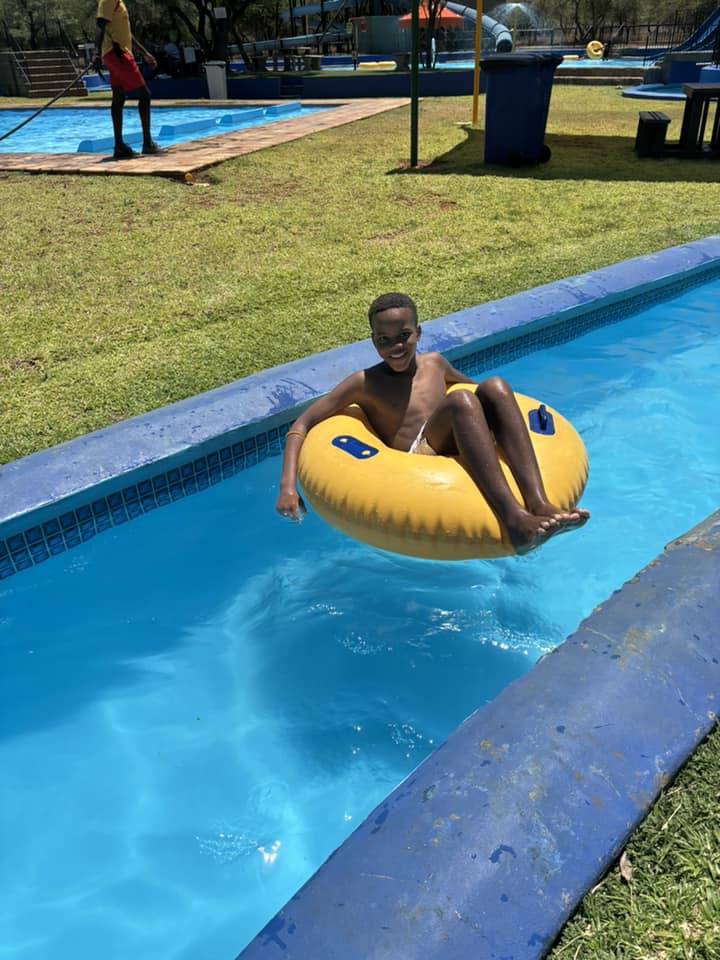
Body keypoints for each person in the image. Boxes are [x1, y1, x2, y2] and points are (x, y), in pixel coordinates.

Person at [275, 293, 590, 554]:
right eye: (384, 340)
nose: (396, 347)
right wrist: (288, 486)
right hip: (418, 457)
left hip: (455, 436)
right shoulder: (364, 383)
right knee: (461, 402)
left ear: (418, 332)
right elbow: (302, 424)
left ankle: (540, 503)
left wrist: (495, 413)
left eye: (404, 336)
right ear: (373, 341)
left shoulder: (435, 364)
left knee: (495, 386)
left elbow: (473, 389)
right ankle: (515, 521)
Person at [94, 0, 165, 159]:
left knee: (118, 98)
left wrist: (144, 53)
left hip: (117, 53)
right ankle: (147, 144)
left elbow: (126, 33)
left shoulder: (119, 2)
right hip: (117, 53)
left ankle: (119, 146)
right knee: (144, 95)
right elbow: (100, 25)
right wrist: (96, 53)